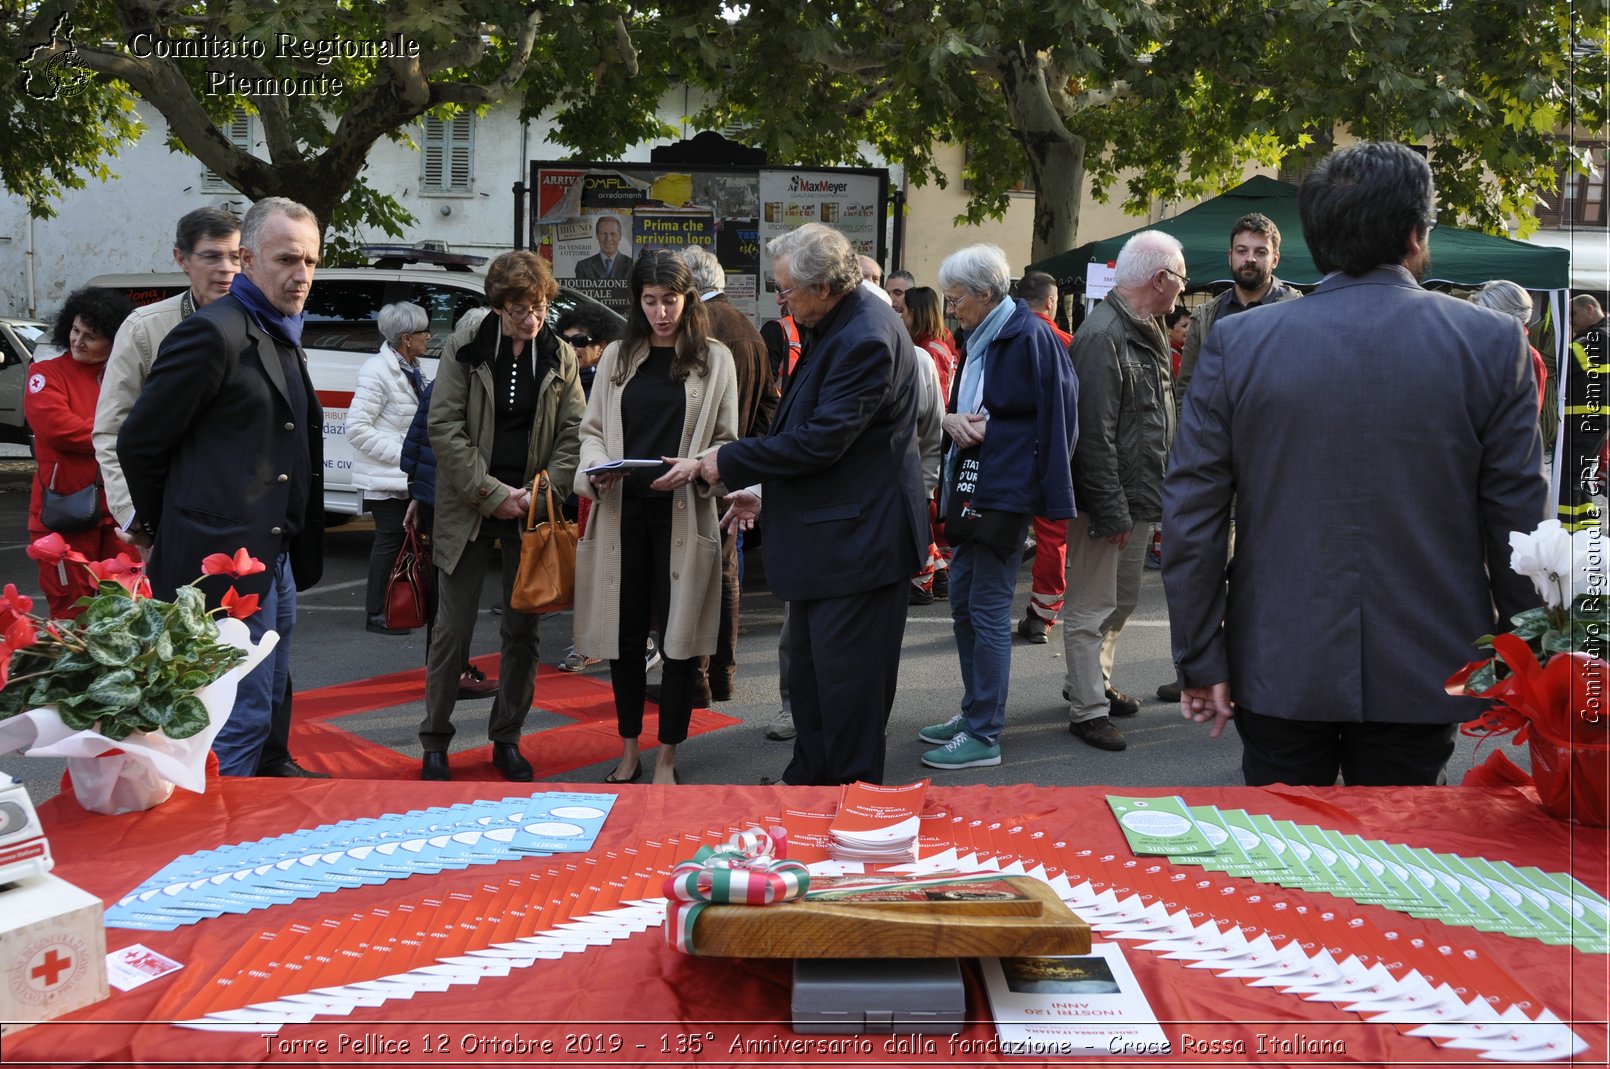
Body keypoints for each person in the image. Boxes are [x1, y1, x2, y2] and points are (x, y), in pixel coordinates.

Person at [1164, 140, 1547, 787]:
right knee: (1397, 869)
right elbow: (1516, 522)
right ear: (1415, 236)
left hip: (1278, 653)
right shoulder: (1491, 343)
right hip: (1428, 657)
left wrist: (1202, 657)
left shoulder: (1240, 342)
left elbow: (1193, 514)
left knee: (1283, 868)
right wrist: (1522, 659)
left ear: (1313, 241)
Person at [689, 223, 928, 785]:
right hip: (837, 542)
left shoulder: (865, 335)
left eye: (787, 290)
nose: (782, 300)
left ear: (824, 286)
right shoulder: (840, 323)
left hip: (857, 548)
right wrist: (761, 489)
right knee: (816, 689)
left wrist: (729, 461)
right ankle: (810, 791)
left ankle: (845, 811)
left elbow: (823, 441)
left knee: (848, 700)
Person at [119, 197, 326, 778]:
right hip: (223, 559)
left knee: (266, 702)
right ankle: (216, 843)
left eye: (310, 260)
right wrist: (171, 530)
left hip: (274, 554)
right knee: (236, 714)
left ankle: (252, 810)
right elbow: (140, 442)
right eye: (287, 258)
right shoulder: (212, 334)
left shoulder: (278, 328)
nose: (301, 274)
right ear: (247, 259)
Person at [418, 250, 586, 782]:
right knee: (453, 630)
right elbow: (444, 428)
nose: (531, 319)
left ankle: (507, 738)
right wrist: (493, 494)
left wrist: (537, 494)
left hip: (531, 510)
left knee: (523, 630)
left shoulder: (560, 355)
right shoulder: (467, 349)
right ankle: (435, 740)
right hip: (469, 505)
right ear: (498, 306)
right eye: (519, 309)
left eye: (538, 307)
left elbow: (574, 434)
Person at [572, 250, 737, 786]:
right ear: (636, 302)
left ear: (688, 300)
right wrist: (596, 467)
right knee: (621, 639)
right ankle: (627, 750)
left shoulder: (715, 360)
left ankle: (667, 755)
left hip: (684, 518)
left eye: (670, 300)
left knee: (680, 641)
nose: (661, 312)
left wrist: (697, 469)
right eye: (650, 301)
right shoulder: (618, 355)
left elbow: (727, 444)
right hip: (622, 515)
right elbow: (592, 431)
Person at [918, 246, 1077, 770]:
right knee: (964, 604)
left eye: (957, 299)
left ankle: (984, 731)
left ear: (986, 295)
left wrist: (984, 427)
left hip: (1002, 493)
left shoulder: (1028, 336)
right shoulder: (984, 335)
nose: (950, 309)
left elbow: (1058, 420)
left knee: (984, 611)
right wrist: (952, 420)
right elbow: (985, 408)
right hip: (974, 489)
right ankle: (974, 715)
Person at [1063, 231, 1184, 753]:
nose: (1184, 286)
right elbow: (1094, 435)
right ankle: (1087, 707)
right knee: (1092, 606)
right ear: (1160, 279)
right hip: (1109, 502)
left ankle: (1093, 683)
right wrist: (1111, 511)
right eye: (1181, 277)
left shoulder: (1143, 326)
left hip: (1137, 497)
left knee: (1122, 598)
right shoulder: (1103, 335)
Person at [95, 207, 240, 533]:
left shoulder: (261, 323)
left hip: (251, 520)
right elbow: (110, 430)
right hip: (177, 519)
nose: (227, 269)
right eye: (212, 256)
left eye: (235, 256)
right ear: (182, 259)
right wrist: (136, 517)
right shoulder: (144, 329)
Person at [676, 244, 777, 703]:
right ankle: (722, 675)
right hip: (734, 466)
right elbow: (769, 409)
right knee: (725, 571)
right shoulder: (749, 329)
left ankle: (694, 677)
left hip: (695, 468)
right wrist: (749, 467)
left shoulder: (698, 329)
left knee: (692, 572)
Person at [27, 288, 134, 617]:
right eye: (75, 330)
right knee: (72, 613)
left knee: (123, 613)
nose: (78, 341)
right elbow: (59, 429)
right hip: (64, 516)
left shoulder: (127, 378)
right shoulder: (45, 375)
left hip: (120, 516)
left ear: (114, 341)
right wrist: (123, 433)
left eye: (92, 336)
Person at [399, 378, 500, 700]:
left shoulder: (438, 383)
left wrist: (417, 493)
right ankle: (451, 672)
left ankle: (444, 670)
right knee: (452, 594)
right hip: (455, 498)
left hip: (434, 495)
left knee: (446, 590)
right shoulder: (465, 384)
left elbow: (414, 444)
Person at [350, 301, 430, 635]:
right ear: (407, 338)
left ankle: (394, 606)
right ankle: (375, 613)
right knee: (389, 540)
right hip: (386, 476)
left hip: (403, 476)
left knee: (400, 541)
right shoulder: (377, 371)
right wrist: (404, 455)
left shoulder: (414, 367)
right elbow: (356, 428)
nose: (430, 337)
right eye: (425, 332)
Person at [1173, 212, 1303, 411]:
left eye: (1260, 252)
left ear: (1275, 259)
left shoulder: (1298, 313)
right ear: (1230, 256)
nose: (1250, 259)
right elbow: (1186, 392)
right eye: (1242, 251)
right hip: (1216, 438)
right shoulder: (1206, 317)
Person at [553, 304, 621, 675]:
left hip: (606, 486)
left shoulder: (611, 380)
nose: (572, 347)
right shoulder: (562, 377)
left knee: (610, 566)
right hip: (576, 488)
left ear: (602, 344)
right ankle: (592, 640)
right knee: (589, 566)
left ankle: (626, 641)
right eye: (566, 341)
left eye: (581, 341)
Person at [1010, 271, 1074, 642]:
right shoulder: (1066, 341)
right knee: (1052, 538)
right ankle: (1042, 616)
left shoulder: (1003, 334)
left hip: (1008, 452)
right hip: (1053, 454)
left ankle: (986, 609)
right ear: (1051, 302)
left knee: (1002, 529)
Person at [902, 285, 957, 605]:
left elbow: (932, 401)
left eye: (905, 311)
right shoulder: (941, 342)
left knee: (922, 513)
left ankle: (925, 577)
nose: (902, 316)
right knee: (924, 514)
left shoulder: (928, 350)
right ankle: (937, 570)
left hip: (932, 437)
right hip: (940, 434)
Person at [1563, 294, 1607, 531]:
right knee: (1582, 478)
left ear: (1589, 309)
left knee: (1570, 478)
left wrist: (1569, 343)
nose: (1571, 321)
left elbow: (1565, 365)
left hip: (1586, 420)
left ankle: (1565, 534)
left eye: (1573, 315)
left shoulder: (1597, 338)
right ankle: (1587, 533)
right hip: (1592, 420)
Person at [1470, 281, 1547, 413]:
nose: (1478, 319)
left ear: (1505, 316)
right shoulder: (1477, 347)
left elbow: (1527, 415)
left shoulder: (1528, 358)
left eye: (1484, 314)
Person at [574, 216, 633, 281]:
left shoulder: (632, 265)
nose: (608, 239)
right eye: (604, 234)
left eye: (613, 234)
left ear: (620, 236)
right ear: (597, 235)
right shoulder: (583, 266)